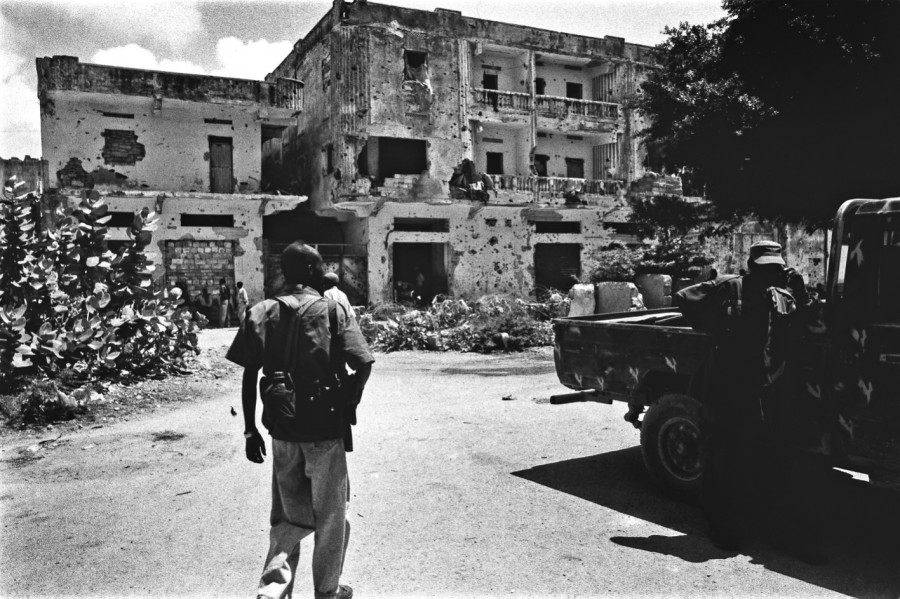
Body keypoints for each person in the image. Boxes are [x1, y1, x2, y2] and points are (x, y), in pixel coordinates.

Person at [226, 242, 374, 599]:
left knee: (288, 516)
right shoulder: (333, 310)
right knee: (332, 515)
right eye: (320, 266)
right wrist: (348, 398)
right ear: (310, 271)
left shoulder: (262, 311)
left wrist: (250, 430)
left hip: (283, 428)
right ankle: (327, 591)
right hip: (326, 428)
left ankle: (274, 591)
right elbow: (364, 362)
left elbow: (249, 375)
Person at [677, 240, 821, 561]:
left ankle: (776, 530)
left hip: (768, 393)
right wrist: (713, 327)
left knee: (771, 460)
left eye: (775, 266)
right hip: (728, 389)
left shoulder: (784, 295)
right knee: (723, 459)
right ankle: (722, 526)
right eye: (765, 266)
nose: (771, 272)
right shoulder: (729, 288)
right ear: (751, 266)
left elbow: (805, 322)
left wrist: (797, 288)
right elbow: (684, 299)